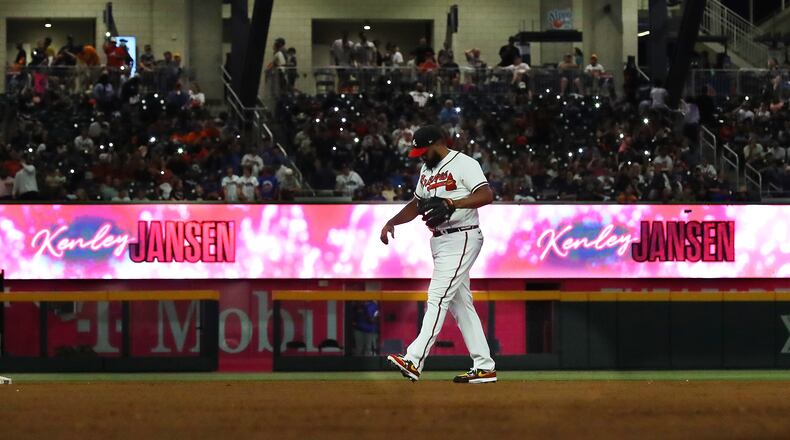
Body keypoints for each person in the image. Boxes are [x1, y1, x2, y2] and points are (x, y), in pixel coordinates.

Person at [383, 125, 497, 384]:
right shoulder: (427, 170)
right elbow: (416, 204)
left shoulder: (464, 163)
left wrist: (452, 203)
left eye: (424, 151)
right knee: (461, 305)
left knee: (437, 297)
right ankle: (484, 366)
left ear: (437, 143)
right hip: (440, 241)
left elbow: (486, 194)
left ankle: (414, 359)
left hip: (462, 235)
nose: (421, 156)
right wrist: (392, 221)